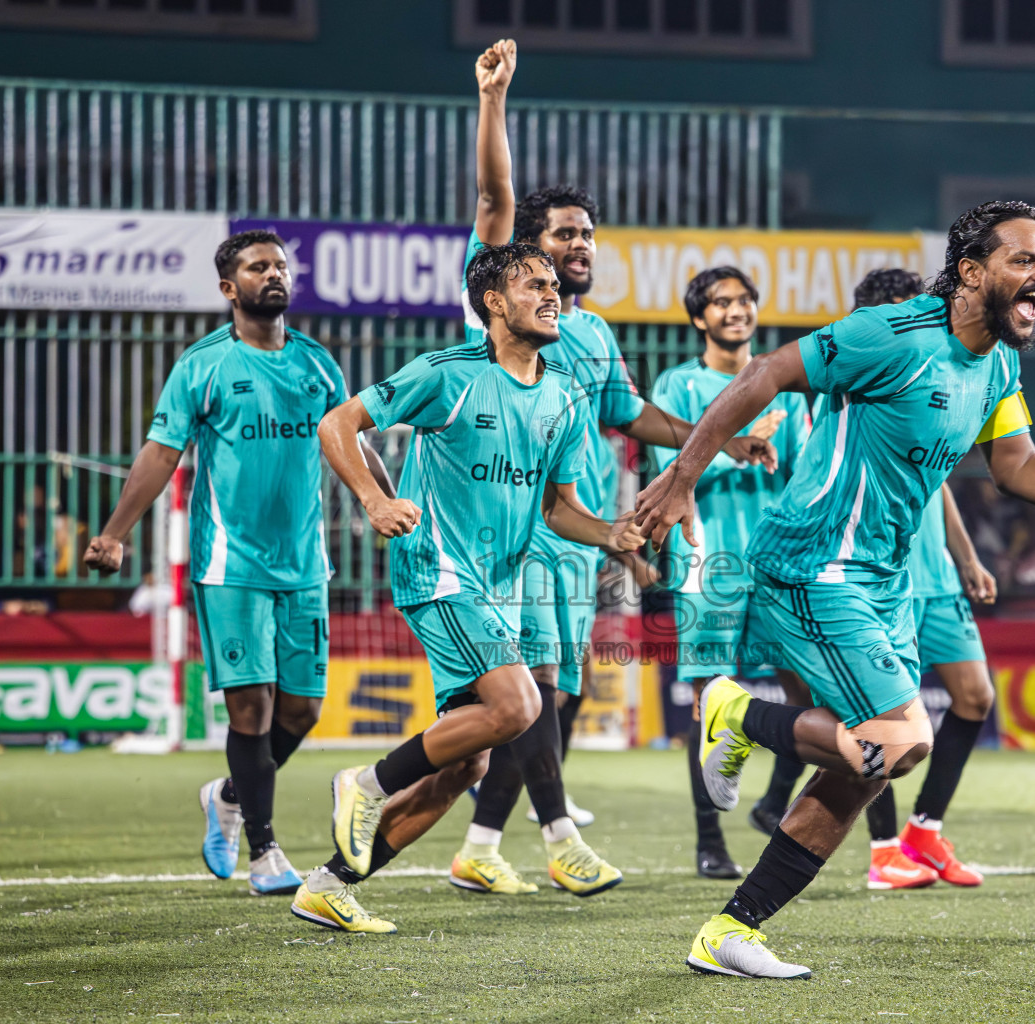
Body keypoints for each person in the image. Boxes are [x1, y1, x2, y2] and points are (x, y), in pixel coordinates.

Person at [634, 200, 1035, 979]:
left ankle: (732, 929)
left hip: (884, 582)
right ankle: (735, 713)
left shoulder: (999, 364)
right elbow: (766, 373)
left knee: (865, 769)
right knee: (902, 740)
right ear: (970, 272)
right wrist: (681, 475)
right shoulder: (890, 333)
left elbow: (1016, 467)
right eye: (1024, 260)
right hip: (813, 563)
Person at [447, 39, 775, 897]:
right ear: (526, 249)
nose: (581, 245)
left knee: (557, 698)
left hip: (576, 534)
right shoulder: (499, 304)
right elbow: (493, 198)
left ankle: (481, 843)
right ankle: (553, 836)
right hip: (509, 530)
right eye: (565, 234)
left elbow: (628, 413)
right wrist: (492, 101)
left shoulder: (588, 331)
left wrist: (719, 441)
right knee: (533, 693)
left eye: (588, 234)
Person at [289, 242, 647, 933]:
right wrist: (373, 500)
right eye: (533, 284)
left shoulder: (564, 397)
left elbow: (556, 509)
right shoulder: (448, 373)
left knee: (465, 767)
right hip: (439, 570)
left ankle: (328, 885)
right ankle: (364, 783)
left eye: (553, 284)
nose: (551, 294)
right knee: (520, 705)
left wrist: (611, 534)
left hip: (497, 589)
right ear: (494, 301)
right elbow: (338, 424)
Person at [84, 230, 348, 897]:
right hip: (230, 563)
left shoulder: (318, 364)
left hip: (305, 564)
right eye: (259, 267)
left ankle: (229, 795)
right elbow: (160, 453)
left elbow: (347, 441)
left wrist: (382, 501)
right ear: (230, 288)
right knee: (251, 707)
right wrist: (115, 532)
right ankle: (264, 850)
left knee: (302, 712)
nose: (275, 274)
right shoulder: (202, 365)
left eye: (281, 265)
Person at [650, 266, 813, 879]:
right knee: (706, 701)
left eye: (745, 300)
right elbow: (669, 472)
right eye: (722, 302)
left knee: (810, 692)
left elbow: (804, 476)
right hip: (706, 563)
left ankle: (774, 802)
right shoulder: (678, 385)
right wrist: (737, 443)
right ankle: (709, 841)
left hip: (776, 565)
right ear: (700, 317)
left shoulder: (784, 387)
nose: (737, 310)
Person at [845, 268, 1000, 892]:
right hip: (885, 577)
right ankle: (883, 849)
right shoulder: (866, 385)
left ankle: (924, 832)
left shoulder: (944, 376)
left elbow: (936, 483)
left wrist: (967, 558)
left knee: (976, 697)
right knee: (885, 718)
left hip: (937, 577)